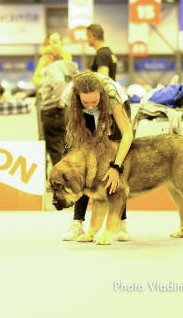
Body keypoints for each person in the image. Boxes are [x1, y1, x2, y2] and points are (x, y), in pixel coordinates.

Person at [60, 71, 133, 242]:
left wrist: (116, 166)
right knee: (83, 167)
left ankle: (121, 222)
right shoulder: (71, 98)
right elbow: (77, 142)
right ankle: (77, 222)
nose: (91, 106)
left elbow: (127, 134)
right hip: (80, 112)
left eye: (94, 101)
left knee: (113, 166)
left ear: (100, 94)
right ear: (78, 97)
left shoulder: (112, 95)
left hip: (112, 108)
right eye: (86, 102)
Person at [39, 45, 79, 166]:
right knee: (67, 149)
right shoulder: (70, 69)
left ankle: (59, 183)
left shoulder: (52, 68)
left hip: (52, 111)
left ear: (51, 58)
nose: (43, 62)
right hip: (67, 113)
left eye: (44, 59)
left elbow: (59, 81)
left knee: (55, 151)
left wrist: (58, 100)